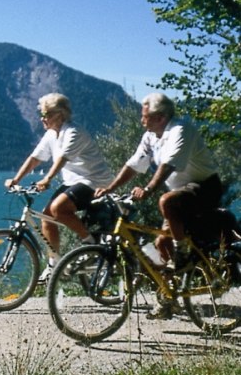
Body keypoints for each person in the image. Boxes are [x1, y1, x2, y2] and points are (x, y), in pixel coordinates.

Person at [95, 92, 222, 319]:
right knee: (161, 244)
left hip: (205, 188)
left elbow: (168, 165)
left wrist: (149, 189)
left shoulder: (180, 131)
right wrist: (110, 188)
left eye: (146, 117)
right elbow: (133, 165)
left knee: (166, 201)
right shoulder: (150, 136)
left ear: (161, 117)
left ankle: (183, 253)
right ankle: (169, 298)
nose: (142, 121)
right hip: (180, 193)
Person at [5, 93, 112, 283]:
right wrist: (16, 179)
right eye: (42, 114)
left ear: (59, 115)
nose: (42, 118)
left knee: (57, 209)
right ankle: (54, 264)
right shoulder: (51, 134)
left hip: (94, 181)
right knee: (47, 218)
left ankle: (91, 244)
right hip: (73, 181)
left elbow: (62, 159)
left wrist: (47, 179)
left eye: (46, 114)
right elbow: (35, 158)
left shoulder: (73, 132)